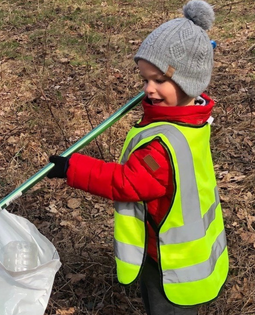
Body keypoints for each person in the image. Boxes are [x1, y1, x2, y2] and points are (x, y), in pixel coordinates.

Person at [46, 1, 228, 314]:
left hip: (170, 264)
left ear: (189, 81)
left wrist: (72, 167)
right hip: (196, 255)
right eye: (144, 80)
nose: (148, 90)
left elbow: (129, 183)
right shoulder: (194, 117)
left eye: (159, 80)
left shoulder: (162, 143)